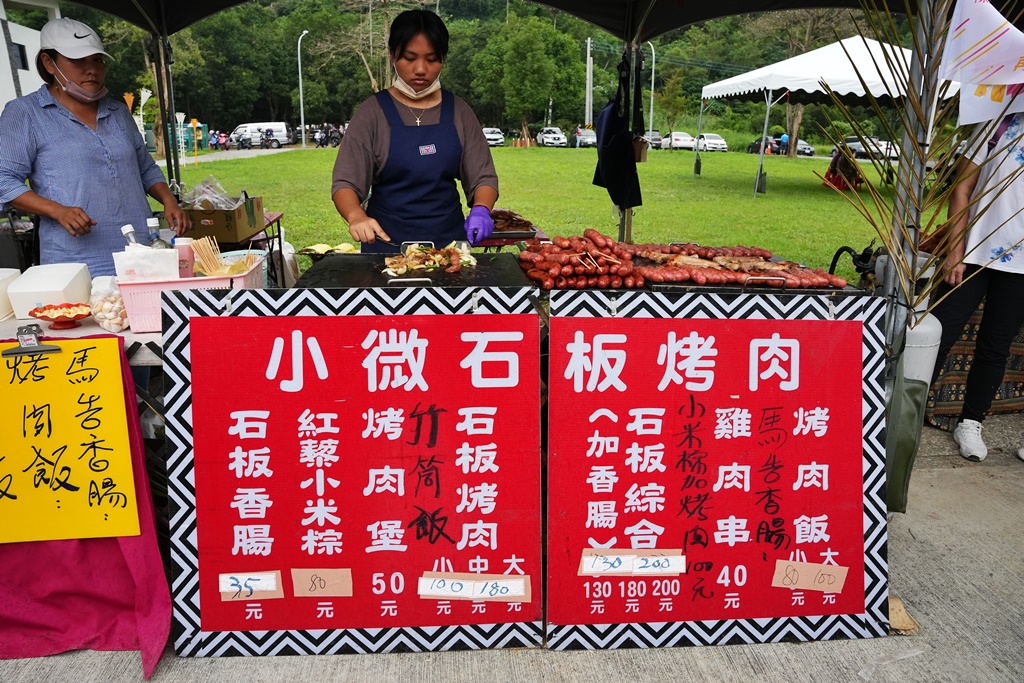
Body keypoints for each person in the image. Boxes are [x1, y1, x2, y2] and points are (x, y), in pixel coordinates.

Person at [0, 18, 189, 277]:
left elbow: (145, 167)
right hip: (73, 261)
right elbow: (4, 180)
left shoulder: (118, 111)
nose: (92, 70)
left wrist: (169, 201)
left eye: (97, 60)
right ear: (49, 63)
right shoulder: (25, 113)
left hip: (140, 252)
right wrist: (57, 210)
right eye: (79, 61)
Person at [331, 9, 497, 253]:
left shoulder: (459, 112)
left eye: (431, 59)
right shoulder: (371, 113)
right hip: (386, 248)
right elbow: (345, 182)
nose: (421, 69)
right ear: (393, 55)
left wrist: (481, 209)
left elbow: (483, 176)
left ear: (443, 58)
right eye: (409, 58)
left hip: (449, 248)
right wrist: (356, 215)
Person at [929, 113, 1024, 462]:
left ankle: (971, 421)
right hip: (974, 254)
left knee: (995, 345)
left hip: (1020, 266)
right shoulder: (998, 121)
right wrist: (955, 251)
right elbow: (962, 189)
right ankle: (896, 411)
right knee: (936, 332)